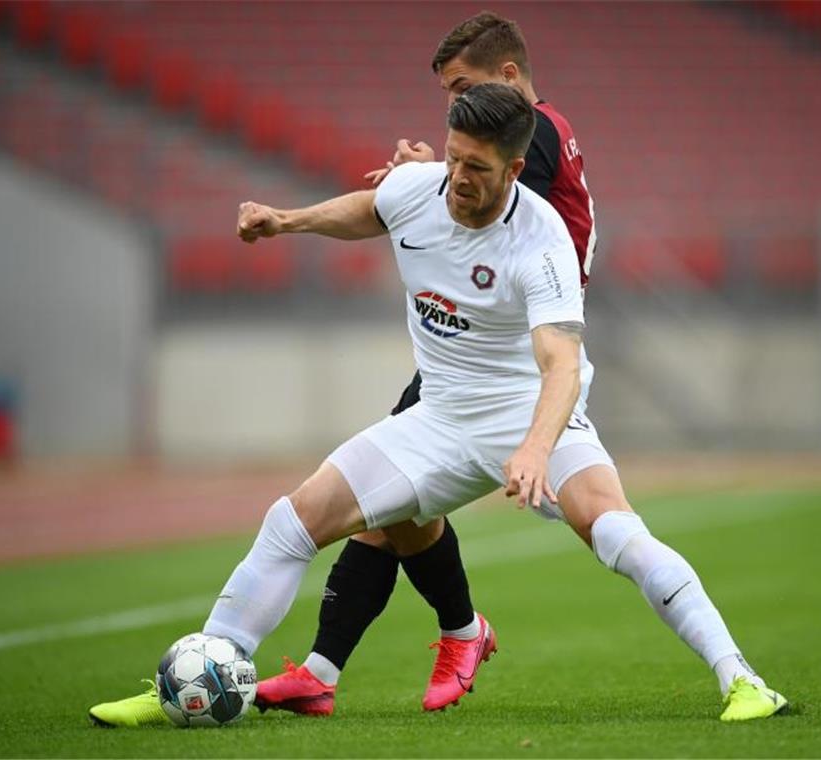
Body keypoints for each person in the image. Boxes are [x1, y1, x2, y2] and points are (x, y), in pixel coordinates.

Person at [92, 83, 787, 728]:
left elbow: (562, 363)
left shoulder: (540, 241)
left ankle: (742, 679)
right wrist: (286, 221)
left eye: (477, 168)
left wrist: (537, 448)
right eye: (453, 158)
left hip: (528, 410)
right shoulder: (423, 187)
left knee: (614, 532)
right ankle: (196, 680)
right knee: (293, 519)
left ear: (515, 169)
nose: (458, 177)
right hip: (437, 418)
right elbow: (373, 207)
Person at [252, 10, 600, 717]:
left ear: (507, 80)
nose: (456, 109)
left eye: (463, 88)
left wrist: (426, 175)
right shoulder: (520, 138)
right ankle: (344, 664)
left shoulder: (527, 137)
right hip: (478, 343)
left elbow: (472, 189)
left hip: (508, 353)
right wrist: (414, 182)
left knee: (390, 507)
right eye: (448, 97)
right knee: (392, 514)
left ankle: (449, 633)